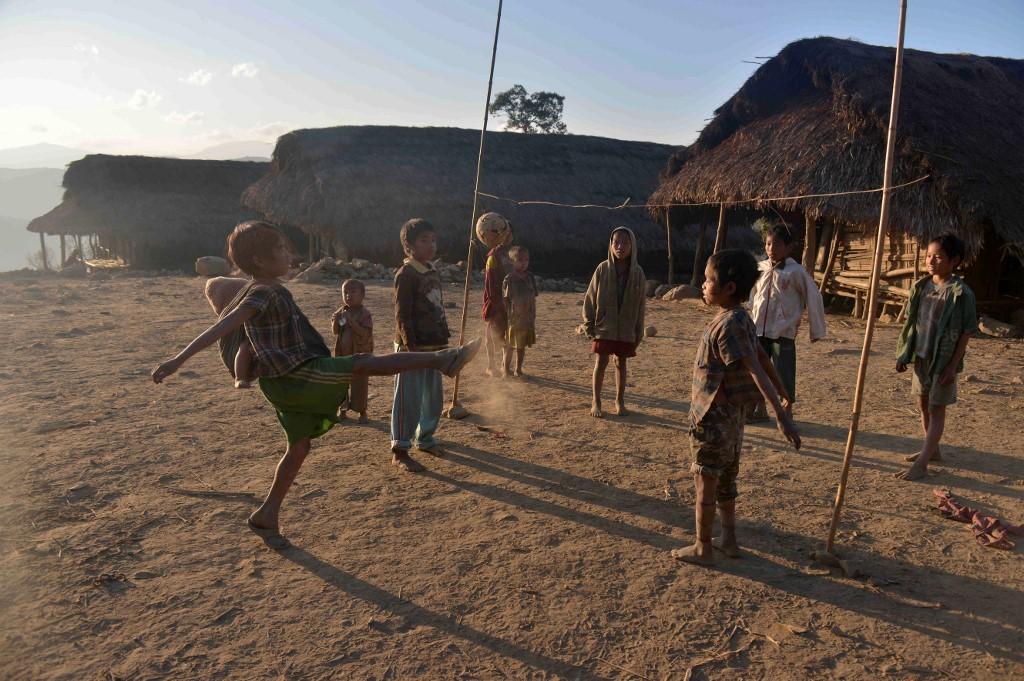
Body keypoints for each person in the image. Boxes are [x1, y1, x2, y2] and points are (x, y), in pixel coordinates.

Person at [152, 221, 480, 547]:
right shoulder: (262, 293)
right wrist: (177, 361)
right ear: (259, 261)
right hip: (296, 375)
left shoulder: (264, 289)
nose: (287, 253)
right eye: (279, 249)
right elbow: (221, 328)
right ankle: (443, 359)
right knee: (364, 365)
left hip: (281, 381)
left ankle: (266, 515)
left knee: (299, 447)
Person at [672, 249, 800, 567]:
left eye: (708, 280)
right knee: (727, 480)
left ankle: (703, 545)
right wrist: (783, 392)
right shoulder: (742, 317)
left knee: (705, 481)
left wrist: (781, 414)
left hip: (713, 417)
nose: (702, 285)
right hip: (733, 419)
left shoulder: (728, 324)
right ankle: (728, 540)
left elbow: (754, 365)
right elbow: (762, 357)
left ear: (728, 288)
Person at [895, 234, 977, 481]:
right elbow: (910, 324)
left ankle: (922, 463)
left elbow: (967, 331)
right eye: (929, 255)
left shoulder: (961, 293)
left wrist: (953, 367)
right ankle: (933, 449)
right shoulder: (921, 287)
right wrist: (904, 354)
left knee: (936, 408)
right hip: (921, 356)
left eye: (938, 257)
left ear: (954, 261)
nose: (930, 261)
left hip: (942, 361)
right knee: (922, 404)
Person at [748, 223, 827, 419]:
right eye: (768, 244)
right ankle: (760, 408)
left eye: (777, 245)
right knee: (757, 371)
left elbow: (813, 297)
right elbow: (752, 296)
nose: (771, 249)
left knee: (783, 373)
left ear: (788, 247)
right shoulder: (760, 268)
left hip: (783, 331)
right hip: (759, 330)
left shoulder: (796, 272)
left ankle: (786, 410)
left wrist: (815, 330)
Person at [391, 218, 452, 471]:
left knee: (432, 398)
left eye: (433, 240)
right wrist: (410, 346)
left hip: (434, 346)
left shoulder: (431, 271)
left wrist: (443, 337)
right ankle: (400, 449)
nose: (431, 245)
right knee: (409, 398)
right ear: (409, 245)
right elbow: (402, 314)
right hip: (412, 347)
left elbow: (436, 307)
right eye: (424, 241)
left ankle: (425, 438)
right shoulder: (406, 274)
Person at [582, 227, 646, 417]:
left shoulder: (638, 273)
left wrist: (638, 330)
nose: (620, 247)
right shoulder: (602, 269)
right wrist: (589, 323)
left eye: (625, 243)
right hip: (605, 326)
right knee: (601, 362)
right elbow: (590, 298)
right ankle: (596, 400)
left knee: (621, 363)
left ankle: (619, 400)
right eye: (616, 242)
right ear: (610, 245)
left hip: (626, 327)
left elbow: (641, 305)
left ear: (632, 246)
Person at [332, 278, 373, 423]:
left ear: (362, 295)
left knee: (360, 383)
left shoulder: (365, 314)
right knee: (341, 382)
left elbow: (364, 334)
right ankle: (342, 409)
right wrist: (336, 321)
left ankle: (362, 411)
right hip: (342, 354)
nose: (348, 295)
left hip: (359, 355)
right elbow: (336, 332)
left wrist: (351, 320)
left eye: (353, 292)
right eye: (345, 292)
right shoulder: (342, 312)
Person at [502, 245, 538, 378]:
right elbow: (505, 299)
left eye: (526, 260)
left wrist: (533, 314)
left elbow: (533, 297)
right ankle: (505, 369)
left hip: (527, 318)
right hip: (514, 318)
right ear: (512, 261)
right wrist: (508, 316)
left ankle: (518, 369)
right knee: (510, 345)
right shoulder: (509, 279)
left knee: (521, 345)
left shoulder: (530, 277)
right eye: (520, 260)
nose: (524, 263)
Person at [483, 223, 514, 377]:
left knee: (509, 334)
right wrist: (494, 301)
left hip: (510, 301)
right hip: (496, 301)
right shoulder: (494, 256)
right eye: (505, 233)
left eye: (510, 233)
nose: (508, 236)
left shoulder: (513, 253)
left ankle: (505, 366)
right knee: (492, 333)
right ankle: (491, 365)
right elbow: (490, 281)